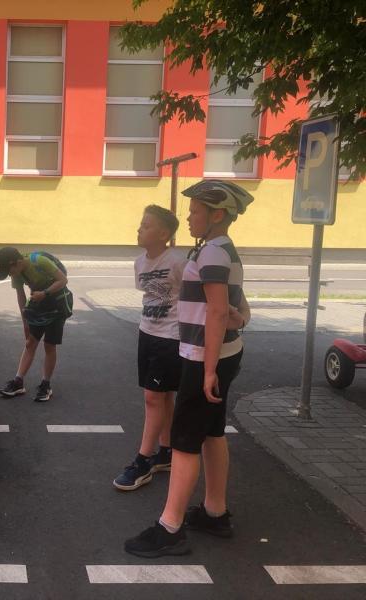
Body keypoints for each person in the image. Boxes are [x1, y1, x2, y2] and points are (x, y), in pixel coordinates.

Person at [125, 180, 253, 558]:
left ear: (217, 215)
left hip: (204, 357)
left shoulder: (212, 252)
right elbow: (234, 306)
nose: (189, 217)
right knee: (212, 433)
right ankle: (215, 512)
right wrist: (240, 319)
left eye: (196, 211)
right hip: (222, 353)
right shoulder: (222, 249)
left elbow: (217, 310)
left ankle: (170, 528)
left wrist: (208, 369)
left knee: (183, 442)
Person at [113, 206, 184, 491]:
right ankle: (166, 452)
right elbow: (148, 297)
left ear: (164, 234)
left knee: (153, 397)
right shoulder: (139, 263)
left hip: (171, 337)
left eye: (146, 225)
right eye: (140, 224)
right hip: (147, 333)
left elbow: (194, 299)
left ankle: (143, 461)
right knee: (163, 396)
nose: (139, 229)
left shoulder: (178, 262)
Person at [0, 247, 71, 402]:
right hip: (39, 305)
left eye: (9, 271)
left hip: (57, 306)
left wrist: (44, 293)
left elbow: (63, 280)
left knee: (49, 345)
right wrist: (25, 321)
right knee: (30, 343)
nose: (10, 274)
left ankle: (46, 384)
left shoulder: (39, 261)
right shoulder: (17, 273)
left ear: (17, 262)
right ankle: (18, 382)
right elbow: (20, 295)